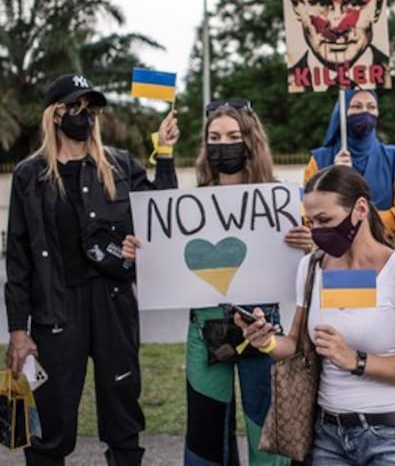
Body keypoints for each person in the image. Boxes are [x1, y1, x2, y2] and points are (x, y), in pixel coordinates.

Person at [122, 100, 312, 466]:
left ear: (250, 141)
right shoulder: (191, 202)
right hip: (204, 329)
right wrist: (139, 253)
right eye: (214, 137)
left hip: (261, 326)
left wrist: (311, 244)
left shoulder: (279, 198)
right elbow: (159, 244)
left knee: (266, 434)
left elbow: (314, 263)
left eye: (232, 136)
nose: (223, 144)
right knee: (206, 435)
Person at [4, 72, 179, 465]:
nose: (85, 116)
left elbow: (160, 216)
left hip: (112, 303)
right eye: (76, 107)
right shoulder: (29, 176)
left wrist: (164, 153)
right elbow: (18, 258)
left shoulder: (118, 165)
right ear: (55, 114)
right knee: (50, 423)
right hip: (55, 309)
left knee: (122, 415)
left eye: (91, 109)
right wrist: (18, 330)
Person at [236, 164, 395, 464]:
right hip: (328, 437)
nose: (317, 230)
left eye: (325, 219)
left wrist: (356, 360)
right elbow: (296, 344)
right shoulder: (311, 267)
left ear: (359, 209)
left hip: (394, 438)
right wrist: (265, 341)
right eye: (312, 221)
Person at [303, 89, 395, 255]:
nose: (365, 112)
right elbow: (308, 215)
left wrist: (361, 221)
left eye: (371, 107)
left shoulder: (394, 158)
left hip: (383, 256)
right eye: (356, 106)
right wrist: (334, 175)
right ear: (341, 113)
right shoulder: (320, 160)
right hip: (335, 258)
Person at [286, 0, 390, 92]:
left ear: (378, 6)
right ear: (296, 5)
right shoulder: (291, 84)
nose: (336, 26)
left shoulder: (391, 76)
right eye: (322, 4)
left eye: (354, 4)